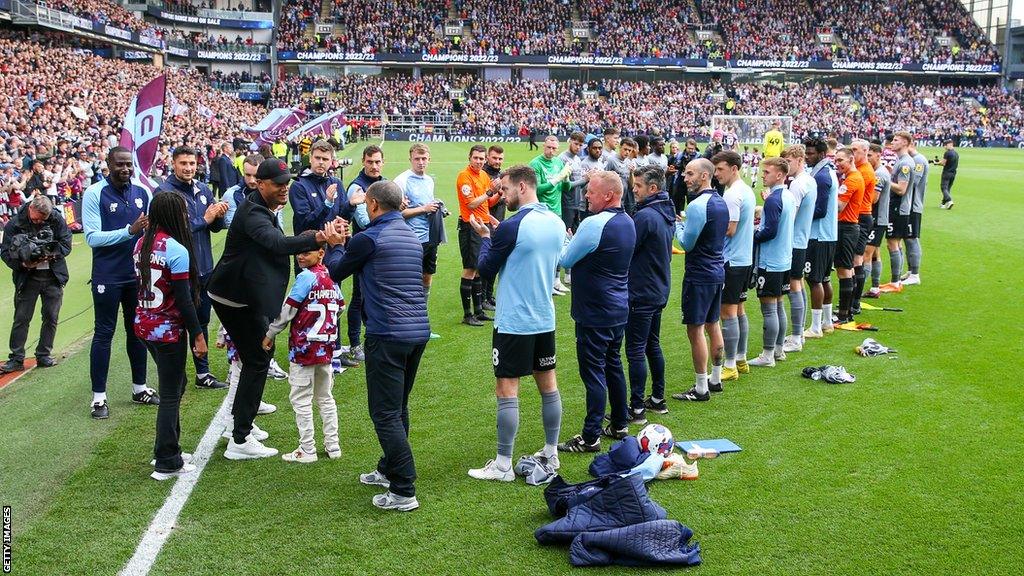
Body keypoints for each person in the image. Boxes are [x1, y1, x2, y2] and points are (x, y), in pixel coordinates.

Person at [208, 158, 340, 461]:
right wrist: (318, 237)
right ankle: (239, 438)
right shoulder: (254, 212)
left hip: (242, 294)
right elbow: (278, 244)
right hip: (235, 297)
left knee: (256, 358)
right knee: (257, 360)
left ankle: (239, 426)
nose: (285, 188)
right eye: (278, 184)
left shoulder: (263, 207)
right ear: (260, 184)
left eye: (286, 182)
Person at [324, 180, 430, 512]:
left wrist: (335, 243)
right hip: (417, 332)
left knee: (384, 413)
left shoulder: (369, 238)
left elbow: (334, 273)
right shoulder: (412, 237)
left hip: (387, 334)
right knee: (397, 407)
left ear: (372, 205)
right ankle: (389, 470)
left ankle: (403, 488)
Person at [465, 165, 566, 481]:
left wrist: (485, 237)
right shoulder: (555, 221)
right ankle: (552, 452)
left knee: (507, 389)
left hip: (514, 321)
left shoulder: (512, 226)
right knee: (548, 385)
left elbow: (485, 267)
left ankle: (503, 465)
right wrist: (499, 237)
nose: (500, 196)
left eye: (504, 190)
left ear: (522, 187)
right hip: (544, 318)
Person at [557, 171, 635, 452]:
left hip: (594, 311)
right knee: (613, 364)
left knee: (593, 372)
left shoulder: (594, 224)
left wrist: (566, 239)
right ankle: (619, 423)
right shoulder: (627, 221)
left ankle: (590, 436)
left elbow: (565, 259)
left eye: (591, 191)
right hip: (617, 308)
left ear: (608, 195)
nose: (585, 195)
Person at [133, 192, 207, 481]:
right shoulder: (175, 249)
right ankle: (166, 459)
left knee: (176, 385)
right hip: (166, 329)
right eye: (183, 212)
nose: (187, 217)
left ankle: (170, 447)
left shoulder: (141, 243)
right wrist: (197, 335)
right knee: (170, 393)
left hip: (143, 324)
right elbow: (185, 300)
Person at [82, 146, 155, 419]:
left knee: (137, 330)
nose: (125, 169)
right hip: (107, 275)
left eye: (128, 165)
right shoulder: (94, 193)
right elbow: (92, 237)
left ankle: (140, 388)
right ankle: (98, 399)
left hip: (136, 273)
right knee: (104, 334)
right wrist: (129, 232)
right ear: (108, 165)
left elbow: (150, 231)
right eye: (119, 164)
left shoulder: (142, 192)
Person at [263, 242, 342, 464]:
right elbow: (341, 306)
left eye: (306, 253)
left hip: (304, 348)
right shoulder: (331, 277)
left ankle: (307, 449)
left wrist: (270, 333)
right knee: (325, 397)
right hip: (326, 348)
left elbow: (288, 310)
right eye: (298, 252)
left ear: (321, 253)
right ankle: (333, 445)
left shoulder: (306, 277)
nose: (300, 257)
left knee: (301, 399)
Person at [158, 146, 230, 390]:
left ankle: (203, 373)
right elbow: (173, 232)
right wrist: (206, 219)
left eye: (192, 163)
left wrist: (219, 214)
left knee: (201, 319)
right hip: (178, 271)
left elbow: (216, 228)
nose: (188, 168)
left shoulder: (203, 189)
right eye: (183, 163)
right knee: (178, 323)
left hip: (204, 267)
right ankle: (176, 375)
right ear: (173, 163)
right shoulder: (165, 193)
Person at [671, 159, 728, 402]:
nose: (685, 177)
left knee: (695, 330)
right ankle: (715, 379)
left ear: (705, 176)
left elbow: (686, 243)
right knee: (713, 324)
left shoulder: (697, 206)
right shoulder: (721, 202)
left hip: (699, 274)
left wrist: (677, 225)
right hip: (717, 270)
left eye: (690, 173)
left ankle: (701, 387)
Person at [0, 195, 72, 373]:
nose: (40, 221)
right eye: (37, 218)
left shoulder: (56, 219)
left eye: (43, 219)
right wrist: (23, 263)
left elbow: (66, 244)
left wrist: (52, 253)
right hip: (27, 277)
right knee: (22, 319)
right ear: (31, 208)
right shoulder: (14, 224)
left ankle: (43, 355)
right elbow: (5, 252)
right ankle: (16, 358)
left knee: (51, 317)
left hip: (53, 276)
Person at [624, 166, 674, 423]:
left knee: (635, 349)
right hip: (658, 287)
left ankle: (636, 408)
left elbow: (627, 249)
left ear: (652, 189)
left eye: (639, 186)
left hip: (642, 291)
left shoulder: (646, 216)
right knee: (652, 344)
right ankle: (657, 399)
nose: (634, 189)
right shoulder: (666, 211)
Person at [710, 151, 755, 381]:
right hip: (744, 258)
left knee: (727, 311)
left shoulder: (732, 194)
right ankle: (741, 358)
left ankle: (729, 365)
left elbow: (730, 229)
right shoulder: (746, 190)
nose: (716, 174)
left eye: (720, 169)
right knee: (738, 309)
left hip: (732, 260)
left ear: (734, 168)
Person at [748, 157, 795, 367]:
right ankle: (778, 350)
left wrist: (750, 234)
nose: (762, 175)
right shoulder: (788, 195)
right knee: (778, 306)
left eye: (766, 172)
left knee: (769, 308)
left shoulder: (775, 199)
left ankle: (767, 355)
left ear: (779, 175)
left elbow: (769, 231)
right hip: (784, 258)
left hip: (771, 260)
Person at [339, 145, 382, 365]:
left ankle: (372, 338)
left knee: (376, 294)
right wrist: (394, 212)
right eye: (370, 162)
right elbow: (365, 221)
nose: (374, 166)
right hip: (362, 247)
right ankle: (355, 344)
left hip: (380, 247)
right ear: (364, 162)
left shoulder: (382, 183)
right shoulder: (357, 187)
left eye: (377, 162)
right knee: (359, 297)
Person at [395, 144, 441, 339]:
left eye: (424, 159)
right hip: (411, 239)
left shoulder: (429, 180)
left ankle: (422, 323)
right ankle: (406, 325)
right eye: (417, 159)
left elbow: (427, 206)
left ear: (429, 159)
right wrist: (424, 209)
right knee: (409, 282)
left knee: (427, 277)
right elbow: (397, 213)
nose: (421, 162)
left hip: (429, 237)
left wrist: (437, 209)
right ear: (410, 159)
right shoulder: (401, 181)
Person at [781, 145, 817, 353]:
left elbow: (789, 217)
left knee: (794, 285)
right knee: (799, 284)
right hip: (802, 239)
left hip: (793, 241)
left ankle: (796, 337)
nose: (785, 167)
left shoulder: (798, 185)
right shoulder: (809, 180)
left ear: (798, 159)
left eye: (788, 162)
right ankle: (799, 332)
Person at [802, 137, 839, 339]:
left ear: (822, 154)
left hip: (819, 235)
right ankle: (826, 322)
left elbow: (820, 210)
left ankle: (816, 327)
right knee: (824, 279)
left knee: (814, 279)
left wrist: (799, 212)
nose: (807, 157)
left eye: (810, 153)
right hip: (828, 235)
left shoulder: (822, 176)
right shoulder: (826, 172)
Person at [456, 145, 496, 326]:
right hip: (470, 226)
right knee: (470, 268)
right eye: (476, 158)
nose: (479, 161)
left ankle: (479, 311)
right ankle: (467, 315)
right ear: (469, 158)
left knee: (479, 267)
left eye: (481, 159)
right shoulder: (464, 177)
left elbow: (485, 204)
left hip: (483, 224)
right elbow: (472, 204)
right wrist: (489, 192)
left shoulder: (484, 176)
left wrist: (492, 217)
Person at [832, 148, 865, 324]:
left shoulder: (852, 179)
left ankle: (843, 315)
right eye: (836, 161)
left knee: (844, 270)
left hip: (846, 227)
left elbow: (839, 206)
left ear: (851, 159)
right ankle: (848, 309)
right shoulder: (852, 177)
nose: (837, 164)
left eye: (840, 161)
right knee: (848, 269)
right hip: (849, 227)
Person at [883, 132, 917, 290]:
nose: (892, 142)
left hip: (898, 207)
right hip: (899, 207)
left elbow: (901, 189)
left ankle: (895, 282)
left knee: (892, 243)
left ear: (905, 143)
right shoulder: (901, 161)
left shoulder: (905, 163)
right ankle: (896, 280)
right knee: (895, 243)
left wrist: (886, 180)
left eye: (896, 140)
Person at [850, 139, 877, 315]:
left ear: (865, 151)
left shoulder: (865, 172)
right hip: (860, 216)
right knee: (854, 260)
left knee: (857, 260)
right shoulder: (862, 170)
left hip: (861, 216)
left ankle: (855, 302)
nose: (852, 153)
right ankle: (853, 301)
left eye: (855, 150)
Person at [863, 143, 892, 299]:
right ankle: (874, 288)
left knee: (866, 254)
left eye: (870, 155)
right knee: (875, 254)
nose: (867, 159)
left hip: (876, 219)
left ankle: (857, 289)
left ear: (878, 155)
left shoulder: (879, 175)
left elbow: (873, 199)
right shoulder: (877, 172)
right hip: (878, 219)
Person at [481, 145, 506, 308]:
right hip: (486, 221)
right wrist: (499, 193)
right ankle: (482, 298)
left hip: (498, 220)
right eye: (494, 158)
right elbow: (486, 201)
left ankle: (489, 296)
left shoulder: (500, 174)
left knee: (495, 260)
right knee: (486, 259)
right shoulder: (483, 174)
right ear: (488, 157)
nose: (497, 161)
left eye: (500, 159)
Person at [903, 139, 928, 286]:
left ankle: (915, 274)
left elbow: (914, 183)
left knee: (912, 238)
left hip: (913, 205)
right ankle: (911, 270)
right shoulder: (913, 160)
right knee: (907, 237)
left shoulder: (918, 160)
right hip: (909, 205)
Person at [936, 140, 958, 209]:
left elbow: (943, 163)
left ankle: (949, 200)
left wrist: (935, 163)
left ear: (949, 144)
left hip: (946, 173)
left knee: (943, 188)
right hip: (953, 173)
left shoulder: (947, 153)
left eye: (945, 145)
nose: (944, 147)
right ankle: (943, 204)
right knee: (948, 189)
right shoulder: (956, 153)